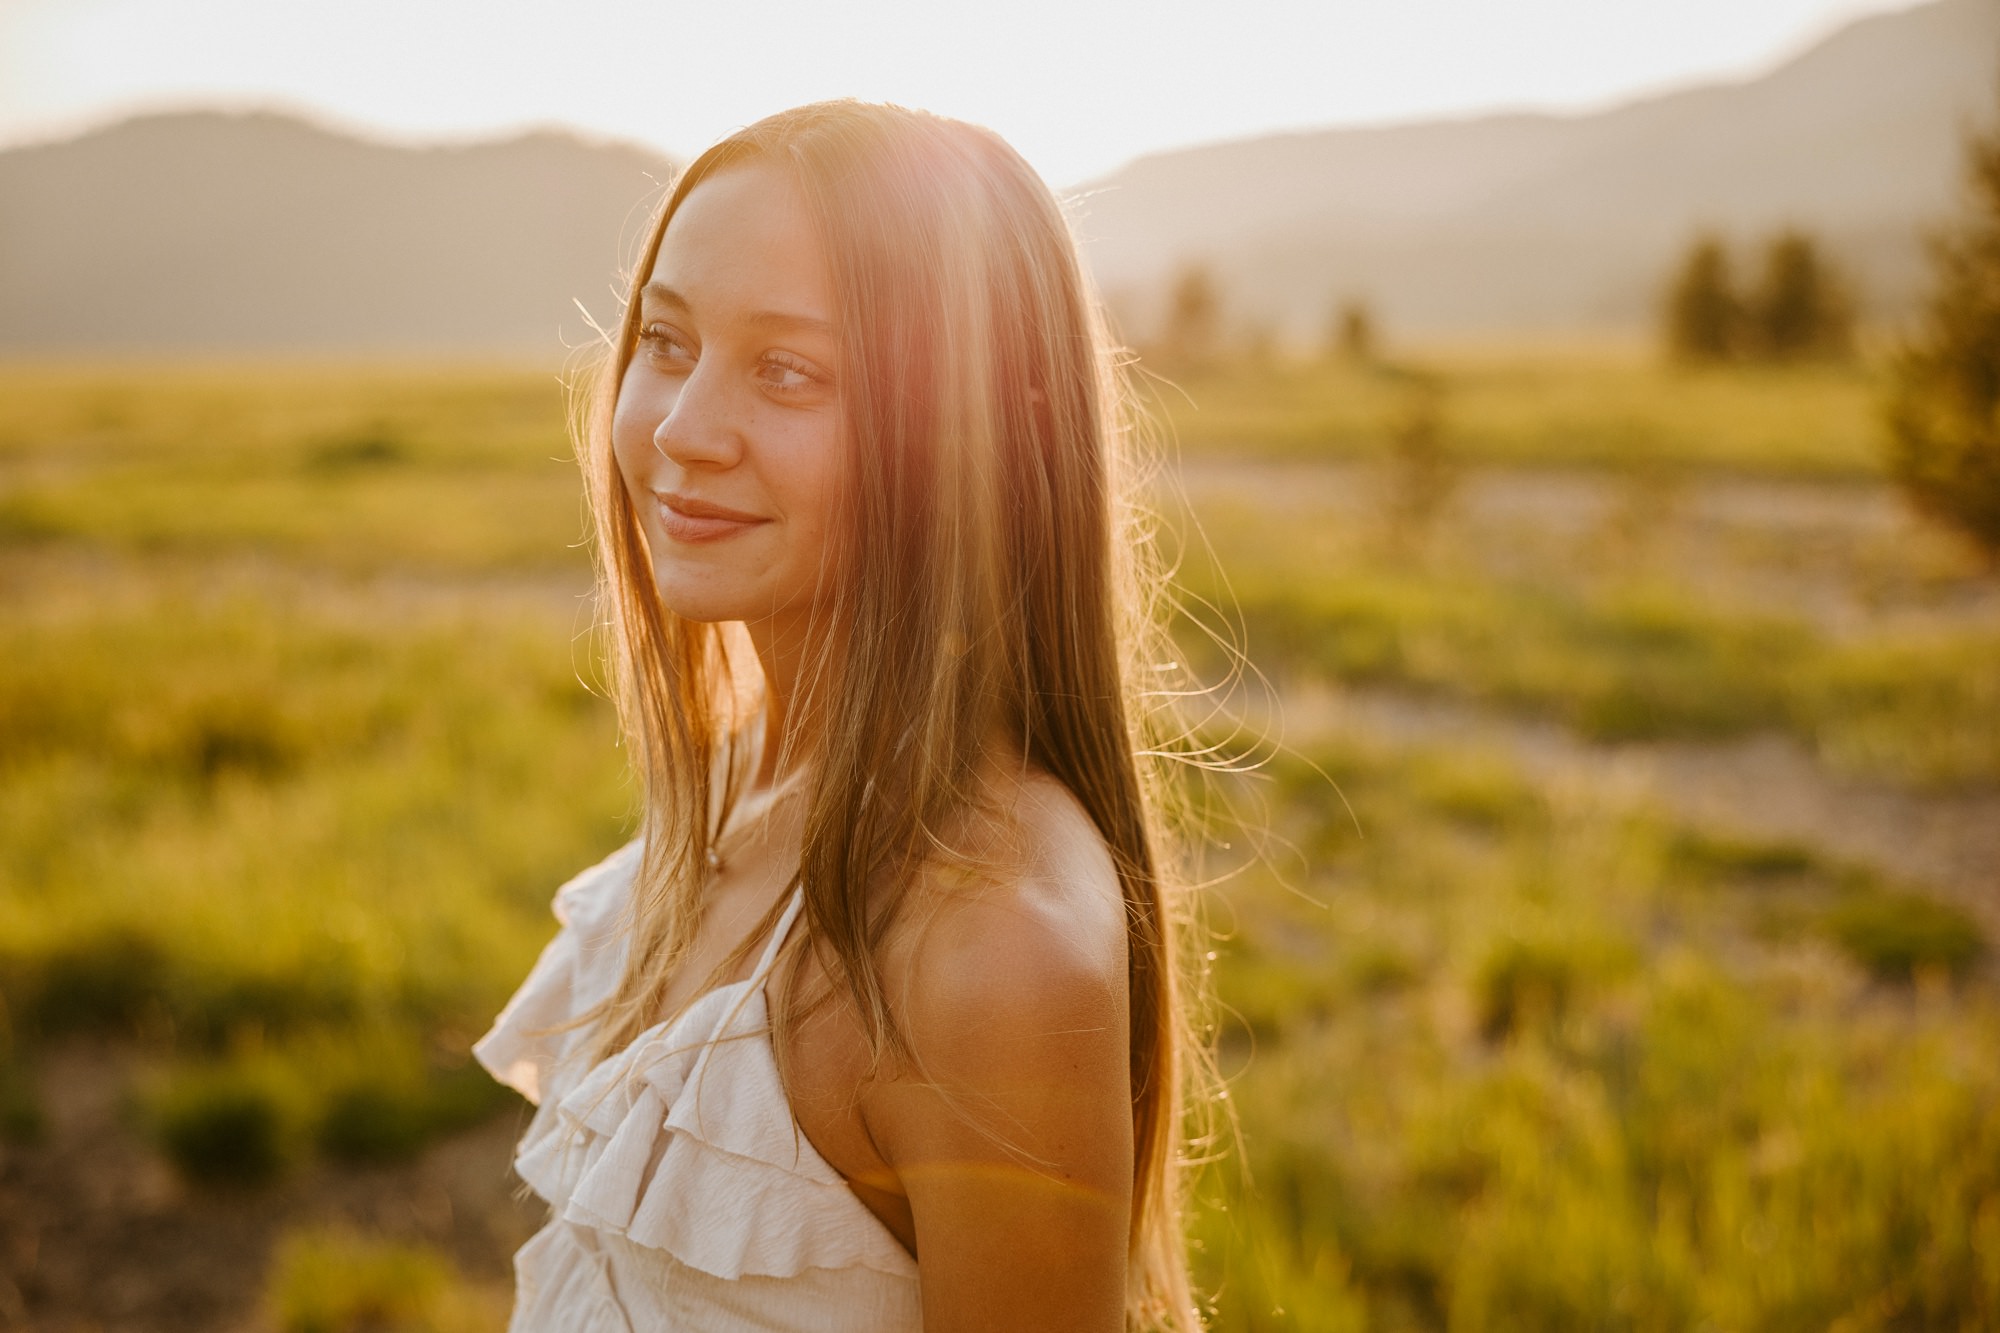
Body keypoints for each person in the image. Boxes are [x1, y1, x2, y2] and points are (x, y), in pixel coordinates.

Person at [475, 100, 1205, 1332]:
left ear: (960, 431)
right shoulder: (751, 767)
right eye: (665, 340)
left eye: (788, 370)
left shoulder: (990, 948)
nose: (681, 430)